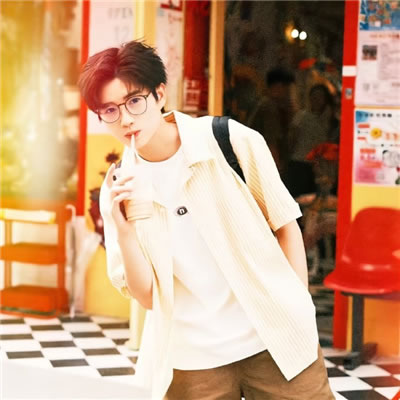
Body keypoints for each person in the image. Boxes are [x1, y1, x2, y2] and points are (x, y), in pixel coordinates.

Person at [78, 40, 335, 400]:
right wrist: (121, 228)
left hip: (275, 339)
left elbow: (285, 225)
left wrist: (298, 309)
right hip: (192, 361)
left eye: (134, 101)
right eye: (109, 110)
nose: (125, 119)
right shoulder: (118, 188)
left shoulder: (231, 141)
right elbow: (149, 297)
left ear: (159, 93)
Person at [286, 83, 339, 198]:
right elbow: (292, 138)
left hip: (319, 165)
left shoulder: (330, 119)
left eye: (320, 96)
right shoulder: (301, 117)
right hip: (300, 162)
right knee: (299, 196)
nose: (317, 100)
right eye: (314, 96)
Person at [247, 67, 298, 175]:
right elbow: (271, 141)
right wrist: (276, 169)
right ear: (278, 87)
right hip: (264, 164)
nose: (289, 93)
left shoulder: (264, 104)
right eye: (288, 89)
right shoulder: (269, 107)